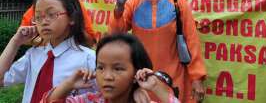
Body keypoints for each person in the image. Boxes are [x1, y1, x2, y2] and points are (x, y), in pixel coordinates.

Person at [109, 0, 206, 103]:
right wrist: (120, 5)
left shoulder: (178, 2)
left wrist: (197, 78)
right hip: (141, 80)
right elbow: (115, 36)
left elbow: (192, 42)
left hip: (174, 79)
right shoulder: (133, 2)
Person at [0, 0, 96, 103]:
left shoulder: (89, 59)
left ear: (72, 17)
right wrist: (15, 41)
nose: (44, 22)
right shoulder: (33, 55)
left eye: (51, 14)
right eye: (38, 17)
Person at [41, 33, 180, 103]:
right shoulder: (89, 100)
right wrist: (68, 84)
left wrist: (156, 86)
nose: (107, 76)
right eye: (100, 68)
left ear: (136, 74)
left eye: (118, 69)